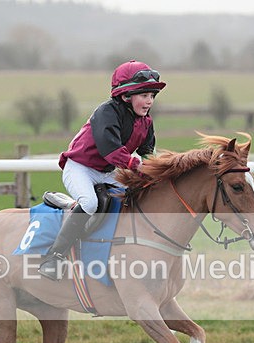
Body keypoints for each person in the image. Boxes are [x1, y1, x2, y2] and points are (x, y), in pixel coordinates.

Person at [37, 60, 166, 281]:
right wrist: (138, 166)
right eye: (144, 96)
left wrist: (154, 175)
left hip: (108, 171)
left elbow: (147, 153)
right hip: (80, 167)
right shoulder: (106, 112)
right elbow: (112, 151)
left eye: (152, 96)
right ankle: (54, 257)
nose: (149, 101)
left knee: (141, 194)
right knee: (89, 203)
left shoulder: (147, 122)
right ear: (126, 96)